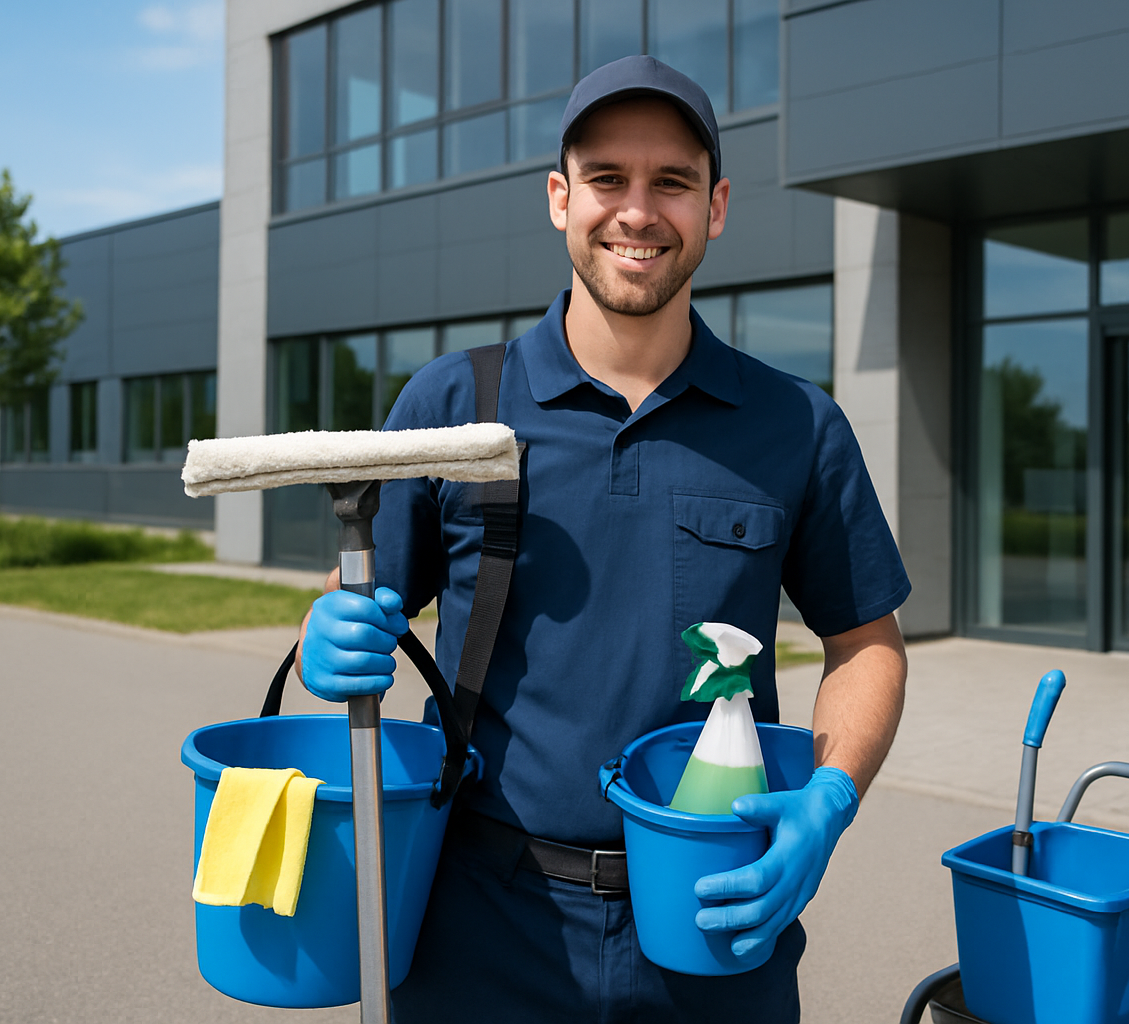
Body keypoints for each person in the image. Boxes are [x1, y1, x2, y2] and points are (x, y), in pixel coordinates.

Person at [297, 55, 910, 1022]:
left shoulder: (796, 426)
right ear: (559, 198)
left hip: (716, 923)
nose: (638, 210)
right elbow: (360, 604)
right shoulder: (453, 409)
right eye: (607, 180)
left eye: (672, 182)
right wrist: (326, 639)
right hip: (478, 930)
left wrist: (829, 799)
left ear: (715, 209)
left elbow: (866, 642)